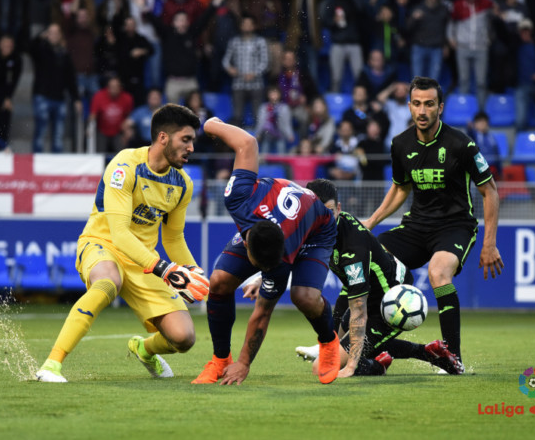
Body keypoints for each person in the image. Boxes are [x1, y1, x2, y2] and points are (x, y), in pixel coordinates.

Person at [36, 104, 209, 383]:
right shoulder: (124, 165)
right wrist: (164, 269)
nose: (191, 147)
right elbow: (118, 233)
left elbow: (173, 237)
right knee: (107, 283)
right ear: (163, 137)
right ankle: (51, 365)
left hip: (143, 260)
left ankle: (144, 348)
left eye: (192, 141)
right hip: (102, 244)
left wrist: (191, 270)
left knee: (184, 338)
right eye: (185, 139)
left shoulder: (183, 184)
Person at [362, 77, 503, 367]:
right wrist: (372, 221)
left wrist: (489, 243)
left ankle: (453, 357)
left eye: (429, 104)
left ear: (441, 107)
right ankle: (362, 343)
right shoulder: (400, 144)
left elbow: (490, 191)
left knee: (439, 272)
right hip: (416, 227)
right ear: (409, 106)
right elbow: (401, 187)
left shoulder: (461, 144)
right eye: (416, 104)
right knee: (371, 258)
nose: (422, 111)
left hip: (455, 226)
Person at [192, 117, 340, 385]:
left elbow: (262, 314)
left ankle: (329, 342)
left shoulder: (280, 260)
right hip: (277, 217)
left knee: (304, 296)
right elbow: (247, 143)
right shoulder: (239, 196)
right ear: (245, 241)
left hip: (318, 228)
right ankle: (220, 360)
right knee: (219, 282)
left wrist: (245, 363)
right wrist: (210, 125)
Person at [286, 179, 464, 377]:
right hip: (370, 292)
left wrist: (351, 368)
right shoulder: (310, 228)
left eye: (329, 211)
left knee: (322, 367)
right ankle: (429, 352)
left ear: (339, 207)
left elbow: (359, 311)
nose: (324, 218)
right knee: (341, 339)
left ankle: (377, 366)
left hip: (390, 301)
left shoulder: (353, 249)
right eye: (317, 212)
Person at [29, 23, 82, 153]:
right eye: (51, 32)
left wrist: (76, 98)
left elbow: (70, 78)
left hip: (59, 98)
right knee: (40, 131)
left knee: (58, 135)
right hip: (42, 96)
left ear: (60, 36)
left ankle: (56, 164)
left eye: (56, 33)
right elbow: (30, 47)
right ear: (47, 35)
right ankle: (36, 161)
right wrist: (39, 37)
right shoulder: (41, 49)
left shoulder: (64, 54)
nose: (54, 35)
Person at [446, 0, 495, 110]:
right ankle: (464, 109)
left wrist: (489, 38)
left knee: (481, 82)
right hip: (463, 47)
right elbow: (451, 23)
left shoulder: (486, 4)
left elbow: (493, 21)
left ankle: (481, 113)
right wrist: (451, 38)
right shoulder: (457, 5)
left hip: (481, 48)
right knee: (463, 81)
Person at [222, 14, 269, 126]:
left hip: (256, 84)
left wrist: (255, 73)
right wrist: (229, 68)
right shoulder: (234, 42)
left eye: (249, 24)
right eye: (244, 24)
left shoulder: (260, 42)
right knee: (237, 116)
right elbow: (225, 60)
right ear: (241, 26)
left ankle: (257, 141)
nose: (247, 27)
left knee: (258, 115)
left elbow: (265, 62)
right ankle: (237, 142)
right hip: (238, 83)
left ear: (254, 26)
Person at [89, 76, 135, 153]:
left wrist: (127, 131)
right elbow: (93, 114)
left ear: (120, 87)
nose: (114, 89)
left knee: (122, 154)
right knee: (100, 154)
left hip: (118, 131)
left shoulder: (127, 98)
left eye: (116, 86)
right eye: (111, 87)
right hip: (102, 130)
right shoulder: (99, 96)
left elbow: (130, 117)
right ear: (107, 87)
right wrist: (90, 127)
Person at [254, 85, 294, 154]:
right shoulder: (264, 107)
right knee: (264, 148)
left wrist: (289, 134)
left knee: (281, 148)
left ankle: (282, 162)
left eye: (275, 93)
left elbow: (286, 123)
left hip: (280, 133)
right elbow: (261, 122)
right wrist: (258, 133)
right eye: (271, 93)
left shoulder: (284, 107)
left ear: (279, 94)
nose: (273, 95)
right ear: (268, 95)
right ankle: (263, 162)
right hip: (267, 133)